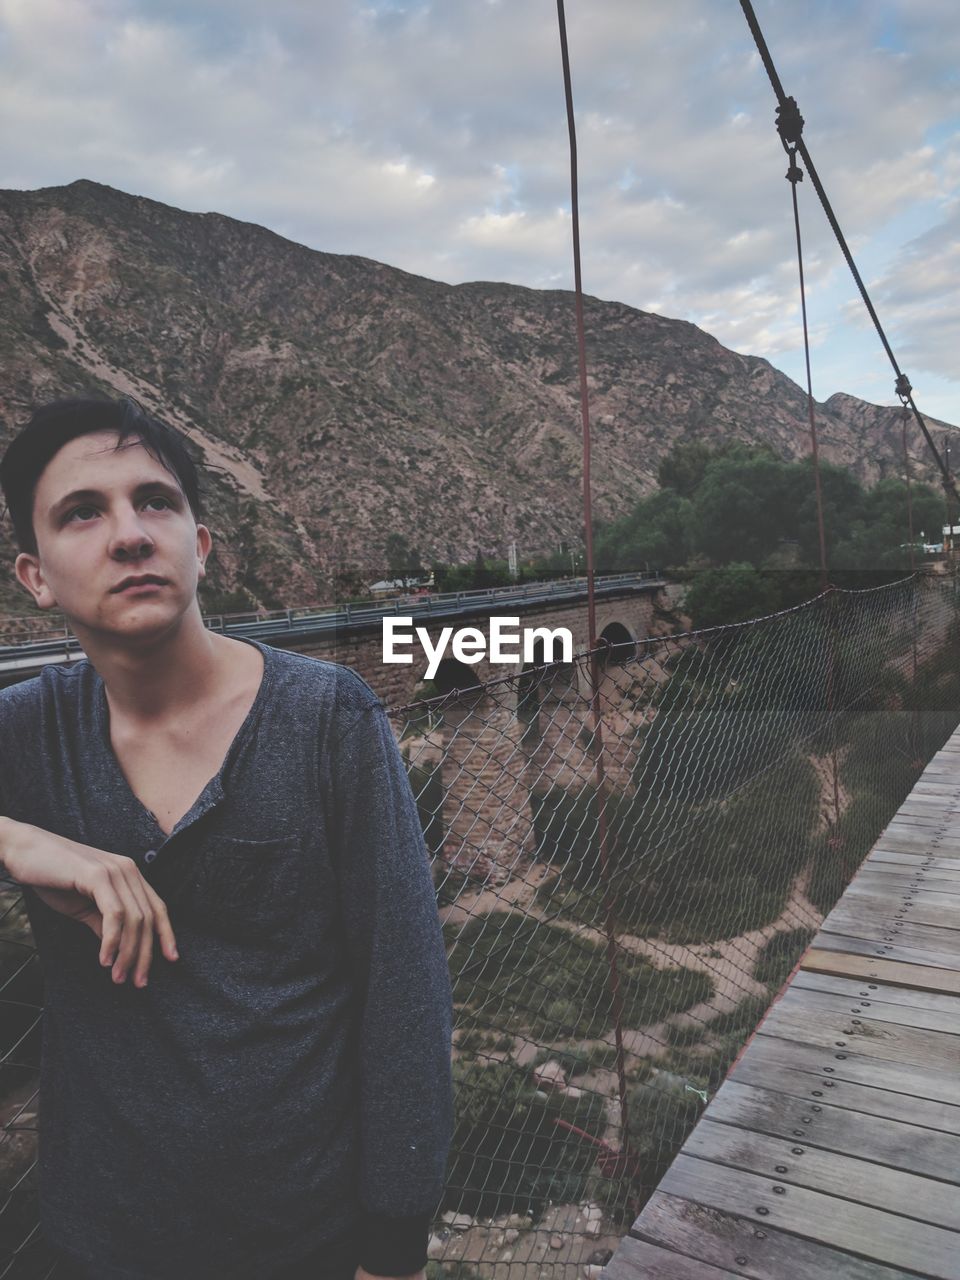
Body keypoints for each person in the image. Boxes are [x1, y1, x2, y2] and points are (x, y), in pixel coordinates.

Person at [0, 397, 453, 1280]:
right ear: (36, 577)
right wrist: (21, 843)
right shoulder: (28, 732)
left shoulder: (328, 716)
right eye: (83, 512)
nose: (129, 534)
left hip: (308, 1244)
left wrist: (393, 1246)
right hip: (97, 1241)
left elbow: (405, 991)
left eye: (155, 502)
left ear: (199, 547)